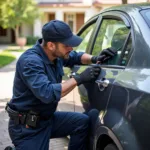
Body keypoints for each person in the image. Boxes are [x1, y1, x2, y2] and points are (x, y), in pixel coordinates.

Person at [5, 20, 116, 150]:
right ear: (51, 45)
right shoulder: (30, 61)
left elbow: (76, 57)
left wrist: (95, 58)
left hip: (47, 119)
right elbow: (47, 93)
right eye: (67, 45)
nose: (71, 48)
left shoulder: (56, 54)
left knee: (81, 122)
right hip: (27, 128)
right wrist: (79, 78)